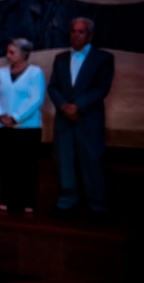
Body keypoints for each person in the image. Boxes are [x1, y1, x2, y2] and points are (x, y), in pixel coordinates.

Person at [47, 17, 115, 217]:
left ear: (90, 35)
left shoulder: (103, 58)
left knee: (92, 160)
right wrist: (63, 106)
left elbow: (101, 88)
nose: (76, 35)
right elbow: (53, 87)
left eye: (81, 32)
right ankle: (67, 202)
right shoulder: (60, 58)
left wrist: (78, 106)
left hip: (88, 118)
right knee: (65, 160)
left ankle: (97, 205)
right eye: (73, 31)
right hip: (64, 119)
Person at [0, 38, 46, 218]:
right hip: (4, 127)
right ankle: (7, 198)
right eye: (8, 51)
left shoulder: (35, 73)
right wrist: (0, 115)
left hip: (27, 128)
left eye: (12, 52)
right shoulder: (1, 72)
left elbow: (36, 99)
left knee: (27, 166)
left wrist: (16, 117)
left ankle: (28, 201)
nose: (7, 55)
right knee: (6, 165)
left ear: (24, 54)